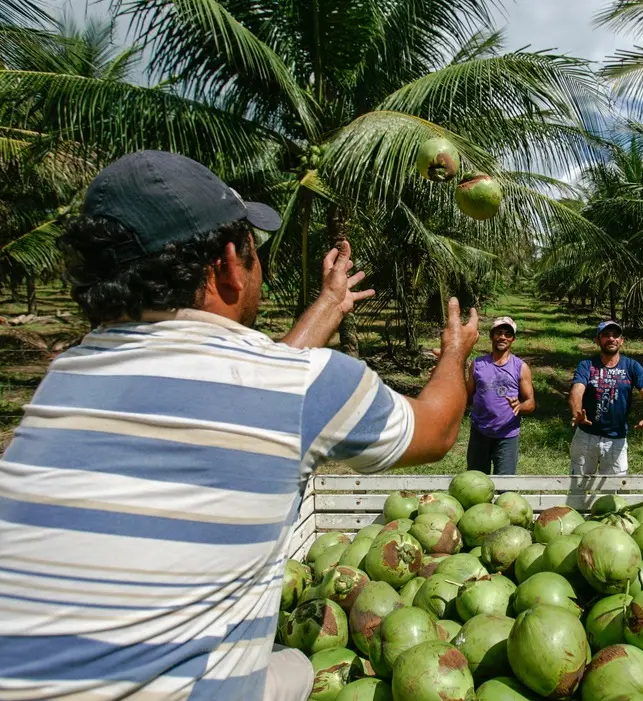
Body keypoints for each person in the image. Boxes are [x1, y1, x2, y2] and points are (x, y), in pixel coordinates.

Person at [0, 151, 479, 701]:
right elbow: (438, 429)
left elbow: (252, 390)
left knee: (294, 666)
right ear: (229, 262)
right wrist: (455, 352)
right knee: (298, 668)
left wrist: (327, 305)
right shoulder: (302, 388)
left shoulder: (64, 379)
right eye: (254, 248)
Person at [568, 320, 643, 475]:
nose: (611, 339)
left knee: (614, 491)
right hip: (586, 435)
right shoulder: (587, 365)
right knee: (578, 487)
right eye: (606, 335)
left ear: (621, 341)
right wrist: (577, 412)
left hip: (617, 438)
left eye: (616, 335)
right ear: (597, 340)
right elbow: (576, 392)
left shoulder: (632, 366)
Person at [466, 316, 536, 475]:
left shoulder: (520, 367)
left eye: (507, 334)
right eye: (498, 332)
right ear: (491, 336)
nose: (503, 337)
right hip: (479, 432)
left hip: (507, 435)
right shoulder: (477, 364)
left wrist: (520, 406)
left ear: (513, 339)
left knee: (505, 487)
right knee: (475, 482)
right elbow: (467, 396)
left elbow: (531, 402)